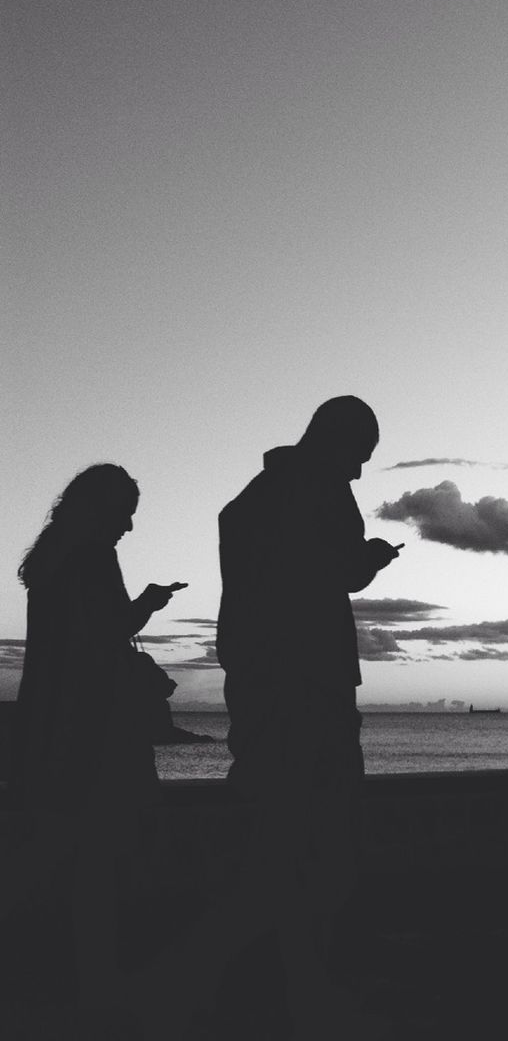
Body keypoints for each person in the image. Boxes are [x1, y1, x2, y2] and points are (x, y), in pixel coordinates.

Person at [128, 396, 402, 1039]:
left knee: (284, 843)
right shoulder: (319, 489)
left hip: (262, 686)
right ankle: (201, 981)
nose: (360, 474)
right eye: (359, 458)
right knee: (315, 845)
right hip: (309, 686)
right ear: (337, 443)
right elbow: (335, 570)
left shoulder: (251, 500)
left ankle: (292, 988)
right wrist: (371, 558)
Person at [5, 463, 186, 1017]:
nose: (129, 526)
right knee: (99, 857)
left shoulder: (55, 558)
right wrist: (149, 606)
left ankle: (66, 980)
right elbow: (102, 633)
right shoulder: (90, 557)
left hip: (52, 726)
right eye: (126, 513)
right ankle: (96, 984)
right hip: (93, 729)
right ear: (104, 509)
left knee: (59, 854)